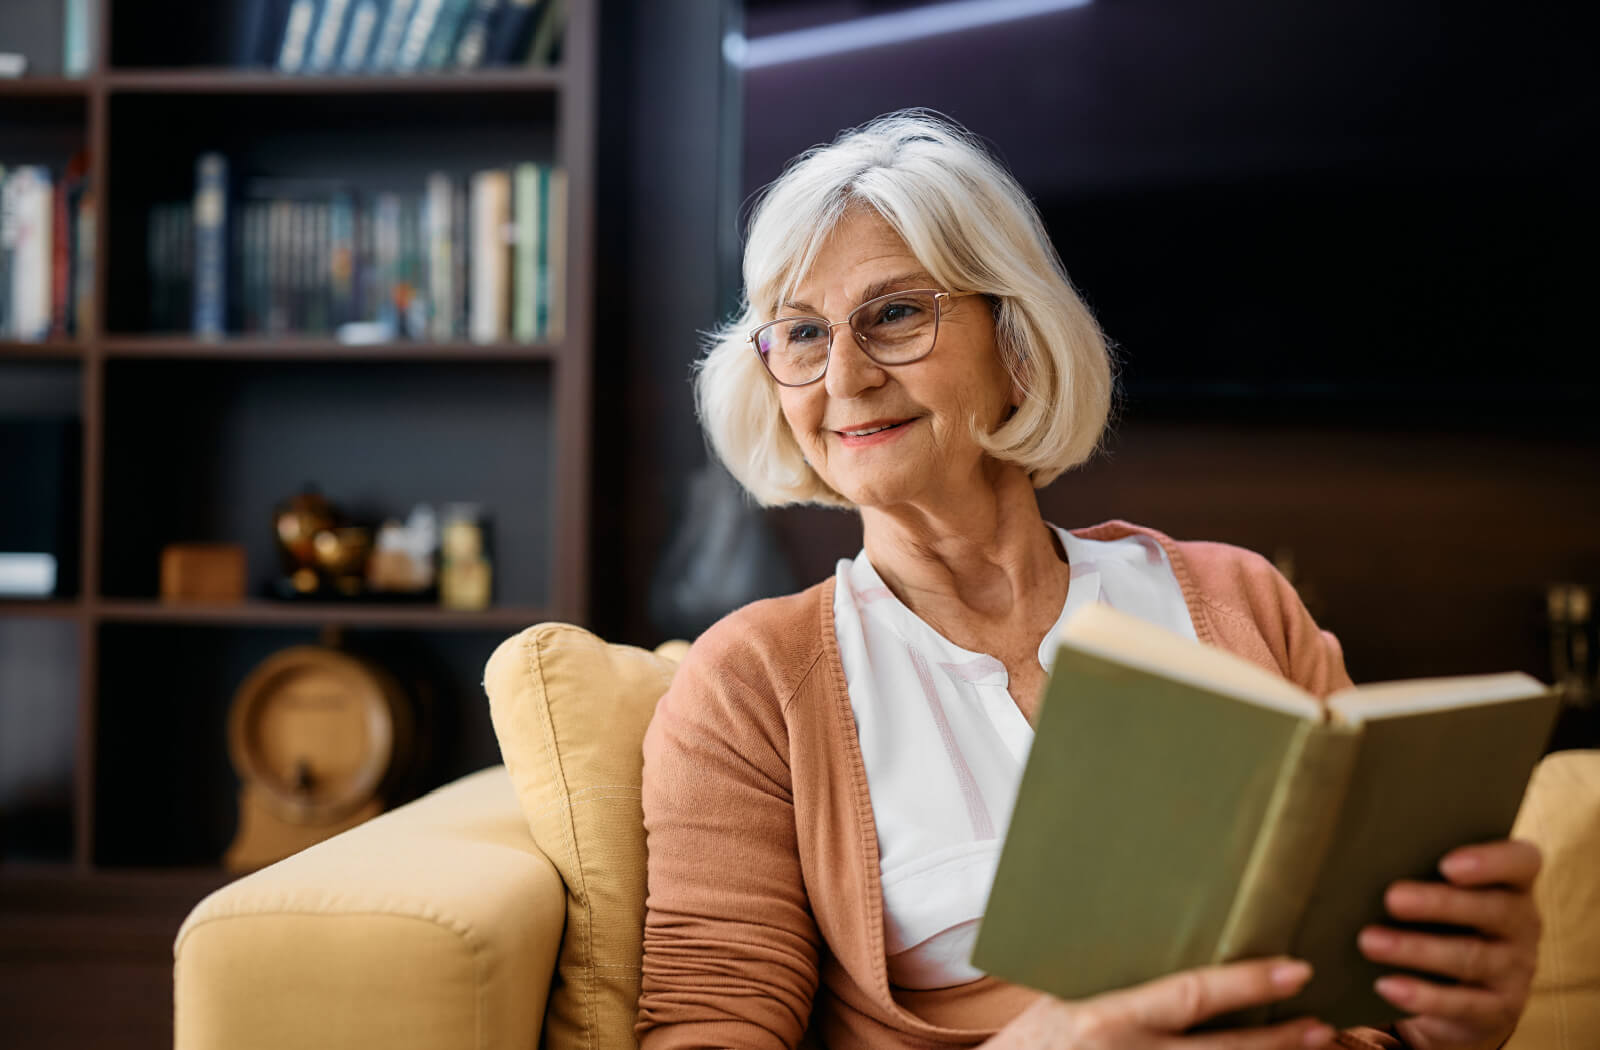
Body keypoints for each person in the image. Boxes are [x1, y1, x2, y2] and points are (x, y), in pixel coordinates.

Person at [636, 110, 1542, 1050]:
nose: (846, 376)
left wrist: (1454, 1015)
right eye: (802, 335)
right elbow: (708, 1030)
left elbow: (1373, 1001)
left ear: (1017, 345)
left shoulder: (1238, 601)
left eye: (895, 314)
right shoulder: (752, 683)